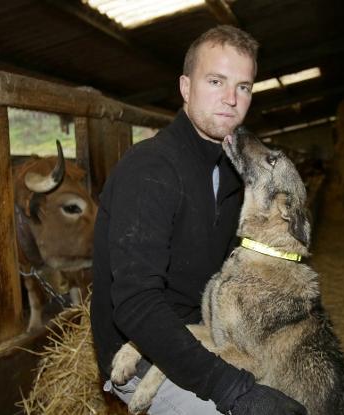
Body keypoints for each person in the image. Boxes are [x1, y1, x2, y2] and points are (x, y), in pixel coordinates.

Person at [91, 25, 307, 415]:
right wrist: (233, 389)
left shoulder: (234, 174)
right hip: (140, 351)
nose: (231, 99)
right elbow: (136, 305)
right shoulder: (149, 170)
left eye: (243, 87)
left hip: (204, 334)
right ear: (186, 88)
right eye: (216, 81)